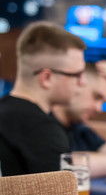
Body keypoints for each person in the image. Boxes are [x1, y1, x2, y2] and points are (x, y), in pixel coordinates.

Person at [0, 21, 86, 176]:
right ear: (47, 78)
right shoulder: (41, 129)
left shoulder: (6, 112)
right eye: (77, 75)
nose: (83, 82)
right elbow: (62, 190)